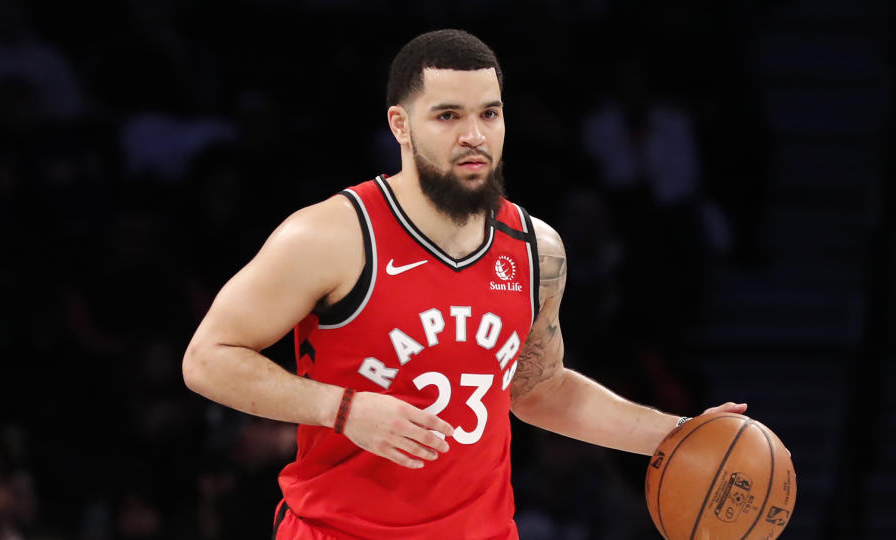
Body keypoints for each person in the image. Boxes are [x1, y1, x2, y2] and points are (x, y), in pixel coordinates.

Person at [182, 29, 746, 540]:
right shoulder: (332, 235)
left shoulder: (535, 248)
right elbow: (207, 359)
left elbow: (537, 390)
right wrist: (345, 409)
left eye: (490, 114)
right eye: (448, 116)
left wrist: (678, 434)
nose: (475, 135)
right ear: (400, 125)